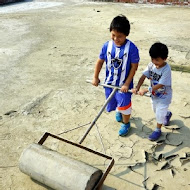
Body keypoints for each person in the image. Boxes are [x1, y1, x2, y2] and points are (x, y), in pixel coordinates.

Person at [92, 15, 140, 136]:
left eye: (120, 36)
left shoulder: (132, 48)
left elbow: (134, 66)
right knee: (113, 102)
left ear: (126, 35)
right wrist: (95, 77)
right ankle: (119, 110)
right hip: (109, 83)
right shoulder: (106, 46)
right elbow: (100, 61)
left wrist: (127, 83)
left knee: (125, 105)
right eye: (113, 35)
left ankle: (126, 123)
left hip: (124, 85)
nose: (116, 39)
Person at [132, 42, 172, 141]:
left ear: (165, 58)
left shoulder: (167, 69)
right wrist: (137, 87)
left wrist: (146, 89)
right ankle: (167, 114)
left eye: (157, 60)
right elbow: (143, 76)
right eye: (152, 59)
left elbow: (161, 84)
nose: (154, 62)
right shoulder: (151, 65)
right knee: (155, 110)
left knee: (159, 113)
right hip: (154, 96)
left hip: (164, 96)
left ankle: (158, 130)